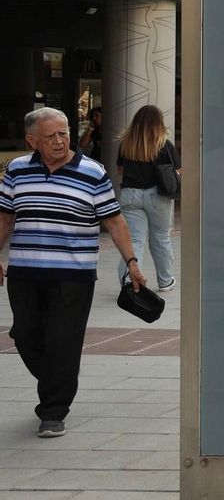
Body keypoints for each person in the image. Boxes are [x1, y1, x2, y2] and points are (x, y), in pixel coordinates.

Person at [0, 107, 146, 438]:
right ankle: (55, 380)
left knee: (63, 341)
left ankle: (53, 410)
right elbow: (5, 218)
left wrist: (133, 262)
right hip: (24, 272)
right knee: (24, 334)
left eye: (64, 133)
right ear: (31, 140)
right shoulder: (17, 170)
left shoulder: (92, 172)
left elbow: (114, 220)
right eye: (50, 135)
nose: (60, 140)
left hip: (73, 274)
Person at [115, 105, 179, 292]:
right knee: (160, 238)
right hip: (157, 195)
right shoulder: (164, 145)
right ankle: (165, 281)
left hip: (130, 194)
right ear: (159, 122)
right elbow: (177, 171)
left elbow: (120, 170)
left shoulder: (126, 143)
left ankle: (129, 282)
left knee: (134, 240)